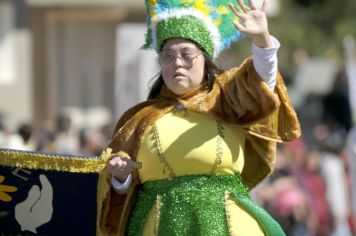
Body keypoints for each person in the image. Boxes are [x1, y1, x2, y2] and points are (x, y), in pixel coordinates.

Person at [99, 0, 301, 235]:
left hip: (227, 226)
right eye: (168, 56)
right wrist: (120, 178)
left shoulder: (227, 98)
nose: (177, 63)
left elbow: (261, 86)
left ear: (205, 59)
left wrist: (262, 40)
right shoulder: (139, 119)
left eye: (187, 54)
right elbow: (118, 194)